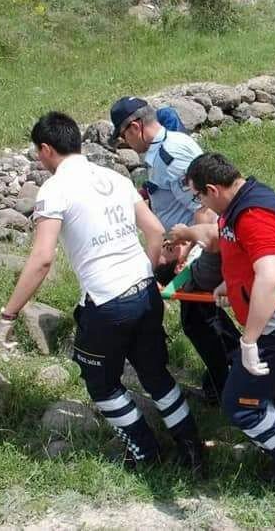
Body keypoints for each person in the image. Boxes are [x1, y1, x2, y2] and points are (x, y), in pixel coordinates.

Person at [0, 112, 206, 475]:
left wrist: (9, 315)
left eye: (38, 153)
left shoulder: (54, 189)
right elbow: (156, 231)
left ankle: (144, 450)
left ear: (46, 149)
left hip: (107, 301)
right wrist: (145, 269)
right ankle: (193, 452)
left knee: (102, 383)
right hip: (144, 289)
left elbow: (42, 259)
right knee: (156, 374)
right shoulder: (114, 177)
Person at [178, 153, 275, 494]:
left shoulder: (252, 214)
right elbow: (249, 254)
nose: (199, 202)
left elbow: (270, 277)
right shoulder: (248, 198)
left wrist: (248, 341)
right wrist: (230, 283)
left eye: (197, 196)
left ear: (211, 189)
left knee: (240, 404)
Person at [110, 96, 240, 404]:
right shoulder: (160, 153)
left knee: (200, 319)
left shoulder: (170, 155)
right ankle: (226, 376)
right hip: (189, 243)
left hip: (201, 246)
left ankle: (231, 383)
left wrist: (188, 254)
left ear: (135, 127)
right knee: (202, 317)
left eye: (124, 135)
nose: (126, 143)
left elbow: (205, 209)